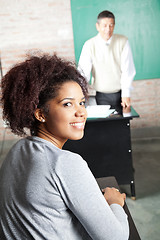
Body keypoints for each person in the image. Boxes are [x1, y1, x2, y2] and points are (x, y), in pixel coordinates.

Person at [0, 53, 129, 240]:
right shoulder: (65, 163)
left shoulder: (17, 150)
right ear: (40, 114)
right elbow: (115, 238)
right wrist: (114, 202)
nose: (81, 112)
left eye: (82, 103)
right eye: (67, 104)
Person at [78, 10, 136, 109]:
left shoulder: (123, 41)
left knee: (122, 123)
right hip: (101, 95)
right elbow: (83, 71)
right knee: (105, 123)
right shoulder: (89, 45)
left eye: (111, 25)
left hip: (120, 94)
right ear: (97, 26)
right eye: (104, 25)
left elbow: (127, 69)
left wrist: (126, 93)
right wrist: (80, 93)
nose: (108, 29)